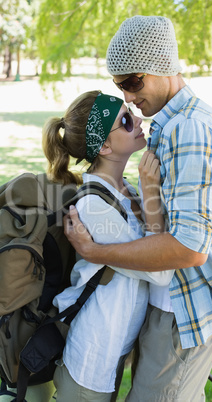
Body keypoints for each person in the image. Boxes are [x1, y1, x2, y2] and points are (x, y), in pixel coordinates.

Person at [64, 16, 212, 401]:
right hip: (168, 304)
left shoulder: (188, 129)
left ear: (162, 66)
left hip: (185, 305)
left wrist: (94, 251)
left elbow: (188, 249)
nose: (129, 98)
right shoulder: (168, 125)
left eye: (133, 83)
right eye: (120, 87)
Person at [42, 89, 173, 402]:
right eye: (126, 120)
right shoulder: (94, 206)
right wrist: (151, 193)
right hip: (91, 363)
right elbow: (161, 273)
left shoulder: (124, 193)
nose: (138, 119)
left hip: (111, 355)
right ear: (103, 145)